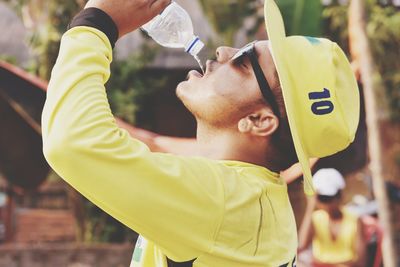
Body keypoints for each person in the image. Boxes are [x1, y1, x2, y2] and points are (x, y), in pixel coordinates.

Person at [41, 0, 360, 266]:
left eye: (245, 61)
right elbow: (143, 145)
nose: (223, 51)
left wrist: (97, 22)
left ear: (260, 120)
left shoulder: (223, 201)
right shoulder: (252, 195)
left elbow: (72, 142)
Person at [298, 169, 366, 267]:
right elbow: (301, 246)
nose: (327, 205)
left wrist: (326, 264)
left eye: (328, 199)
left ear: (339, 196)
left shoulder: (355, 220)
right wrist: (310, 207)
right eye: (322, 199)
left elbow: (361, 262)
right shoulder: (315, 218)